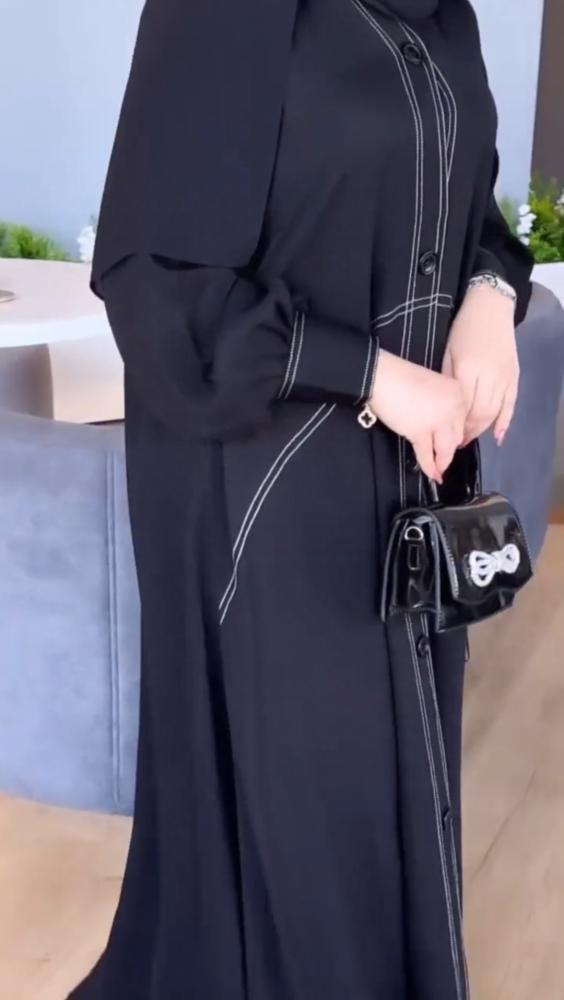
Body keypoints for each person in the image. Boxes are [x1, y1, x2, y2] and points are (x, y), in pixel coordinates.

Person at [69, 0, 533, 997]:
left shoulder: (443, 15)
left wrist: (492, 299)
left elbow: (470, 205)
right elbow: (160, 287)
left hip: (413, 490)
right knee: (302, 836)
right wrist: (375, 375)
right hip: (266, 494)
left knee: (397, 804)